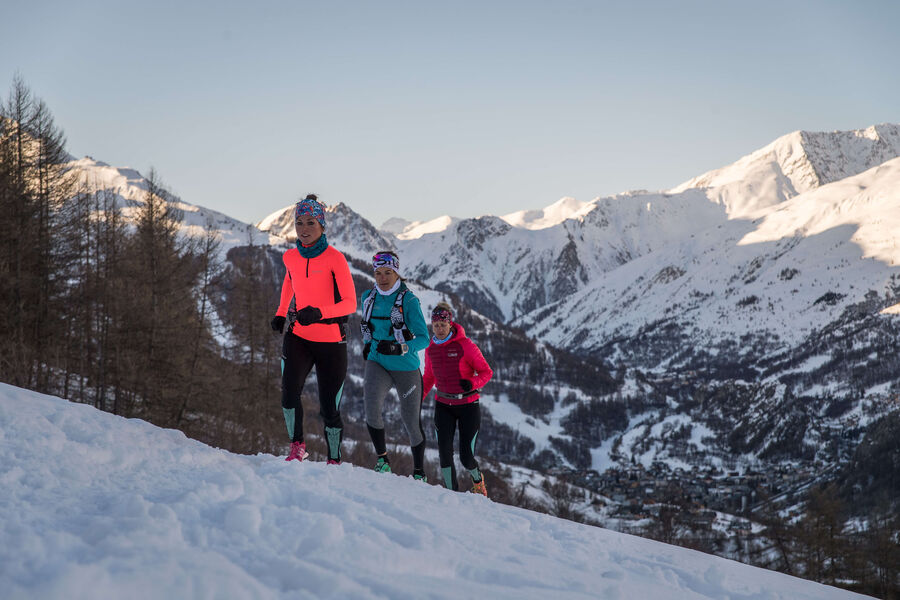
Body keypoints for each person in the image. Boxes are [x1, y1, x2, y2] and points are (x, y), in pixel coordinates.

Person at [270, 194, 357, 464]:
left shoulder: (335, 259)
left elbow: (350, 303)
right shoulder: (290, 257)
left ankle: (334, 457)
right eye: (299, 222)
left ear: (322, 225)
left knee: (329, 408)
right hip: (298, 337)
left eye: (310, 222)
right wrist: (281, 313)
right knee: (288, 394)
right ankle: (297, 446)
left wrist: (320, 313)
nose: (304, 229)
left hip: (331, 341)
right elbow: (290, 282)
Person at [359, 250, 430, 480]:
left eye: (388, 272)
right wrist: (368, 345)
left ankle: (419, 471)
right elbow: (369, 329)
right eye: (378, 273)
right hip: (377, 362)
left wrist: (401, 347)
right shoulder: (368, 298)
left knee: (410, 421)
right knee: (371, 410)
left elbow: (424, 338)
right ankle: (382, 460)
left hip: (406, 368)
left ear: (397, 272)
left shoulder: (408, 300)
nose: (383, 277)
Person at [422, 302, 493, 496]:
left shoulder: (466, 345)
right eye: (435, 325)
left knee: (466, 456)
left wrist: (472, 383)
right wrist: (416, 398)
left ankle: (478, 480)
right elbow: (428, 378)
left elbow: (487, 372)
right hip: (443, 405)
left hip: (468, 406)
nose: (439, 329)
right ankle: (451, 494)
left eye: (443, 325)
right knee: (444, 453)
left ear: (450, 323)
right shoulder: (431, 350)